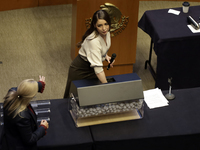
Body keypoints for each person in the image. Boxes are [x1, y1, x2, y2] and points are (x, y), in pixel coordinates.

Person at [64, 9, 114, 98]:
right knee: (75, 98)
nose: (104, 28)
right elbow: (98, 71)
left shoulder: (107, 33)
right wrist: (108, 87)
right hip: (80, 70)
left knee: (91, 97)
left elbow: (101, 49)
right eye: (100, 25)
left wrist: (105, 56)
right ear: (94, 25)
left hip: (92, 68)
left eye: (106, 24)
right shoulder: (93, 41)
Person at [0, 75, 49, 150]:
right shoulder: (22, 116)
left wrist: (39, 85)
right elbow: (29, 140)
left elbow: (23, 89)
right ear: (29, 97)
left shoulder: (12, 92)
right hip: (17, 145)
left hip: (9, 131)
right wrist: (42, 128)